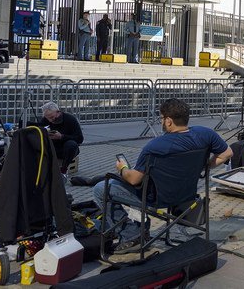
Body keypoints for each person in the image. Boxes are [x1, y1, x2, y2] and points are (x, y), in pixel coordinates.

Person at [93, 98, 232, 252]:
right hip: (187, 195)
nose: (161, 121)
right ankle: (138, 226)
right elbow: (227, 153)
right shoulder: (206, 134)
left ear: (169, 121)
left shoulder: (155, 146)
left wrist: (122, 168)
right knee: (131, 183)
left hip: (157, 198)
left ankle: (131, 234)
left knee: (101, 188)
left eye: (161, 118)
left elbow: (133, 179)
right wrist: (204, 167)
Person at [40, 102, 83, 176]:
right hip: (52, 148)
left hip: (66, 149)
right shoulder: (45, 120)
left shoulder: (70, 119)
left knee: (71, 144)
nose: (50, 120)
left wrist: (61, 137)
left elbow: (80, 138)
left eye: (52, 117)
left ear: (58, 112)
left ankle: (63, 170)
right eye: (48, 118)